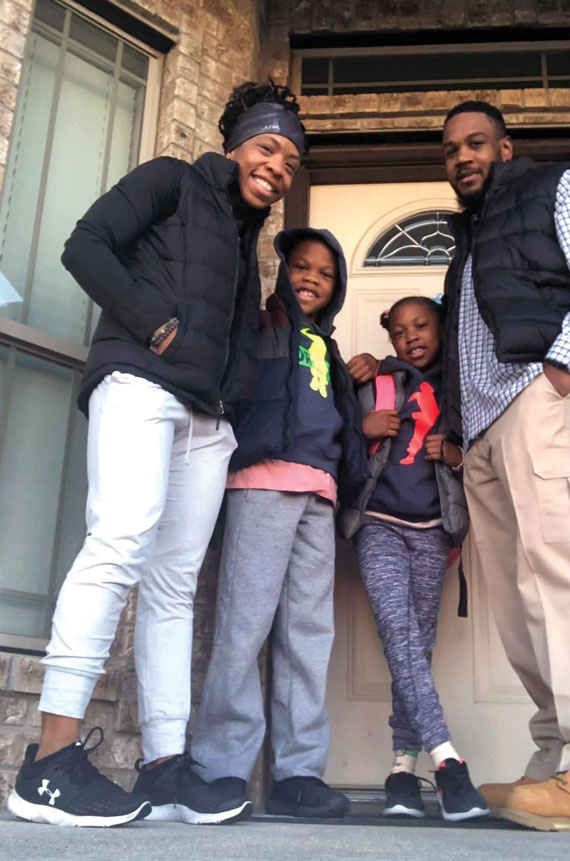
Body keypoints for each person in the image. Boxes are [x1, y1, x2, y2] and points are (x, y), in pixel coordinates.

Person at [7, 81, 306, 828]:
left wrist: (233, 396)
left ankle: (166, 766)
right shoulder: (172, 181)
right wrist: (156, 326)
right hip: (141, 384)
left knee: (173, 585)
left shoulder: (246, 239)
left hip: (207, 419)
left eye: (292, 161)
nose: (279, 167)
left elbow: (237, 335)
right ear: (236, 144)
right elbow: (85, 244)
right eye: (269, 147)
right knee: (117, 545)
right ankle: (47, 765)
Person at [440, 100, 570, 831]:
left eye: (475, 143)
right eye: (451, 150)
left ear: (505, 147)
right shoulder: (469, 242)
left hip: (542, 396)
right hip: (487, 430)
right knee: (520, 598)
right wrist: (462, 431)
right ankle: (562, 754)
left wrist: (561, 365)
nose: (462, 157)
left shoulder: (558, 186)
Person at [190, 228, 367, 819]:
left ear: (338, 287)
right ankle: (221, 767)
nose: (312, 277)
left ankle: (298, 773)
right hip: (261, 483)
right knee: (244, 626)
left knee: (308, 635)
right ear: (282, 270)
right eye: (301, 266)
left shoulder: (329, 350)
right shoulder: (259, 327)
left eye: (326, 272)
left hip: (319, 494)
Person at [340, 296, 488, 822]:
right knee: (399, 635)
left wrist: (457, 456)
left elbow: (488, 452)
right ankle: (448, 760)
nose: (412, 337)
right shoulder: (375, 380)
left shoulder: (463, 387)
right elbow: (333, 438)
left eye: (422, 325)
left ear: (441, 327)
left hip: (431, 531)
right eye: (400, 331)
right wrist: (361, 427)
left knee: (416, 647)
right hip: (378, 523)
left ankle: (402, 771)